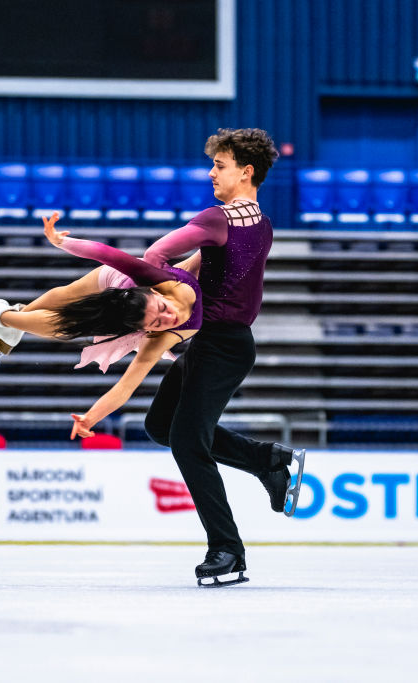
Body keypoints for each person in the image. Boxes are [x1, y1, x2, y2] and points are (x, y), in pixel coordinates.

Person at [134, 127, 305, 587]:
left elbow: (156, 256)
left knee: (189, 441)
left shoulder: (217, 220)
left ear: (246, 171)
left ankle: (227, 549)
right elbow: (194, 272)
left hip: (221, 344)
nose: (211, 173)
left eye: (220, 165)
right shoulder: (262, 225)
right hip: (218, 343)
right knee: (161, 427)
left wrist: (142, 296)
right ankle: (266, 459)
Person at [0, 213, 202, 434]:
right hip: (118, 283)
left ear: (148, 331)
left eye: (160, 323)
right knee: (65, 298)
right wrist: (60, 242)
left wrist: (90, 417)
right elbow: (105, 253)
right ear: (156, 292)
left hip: (125, 316)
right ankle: (6, 316)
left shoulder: (160, 336)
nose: (172, 318)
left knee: (65, 326)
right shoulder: (158, 278)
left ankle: (4, 317)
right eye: (163, 310)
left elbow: (126, 386)